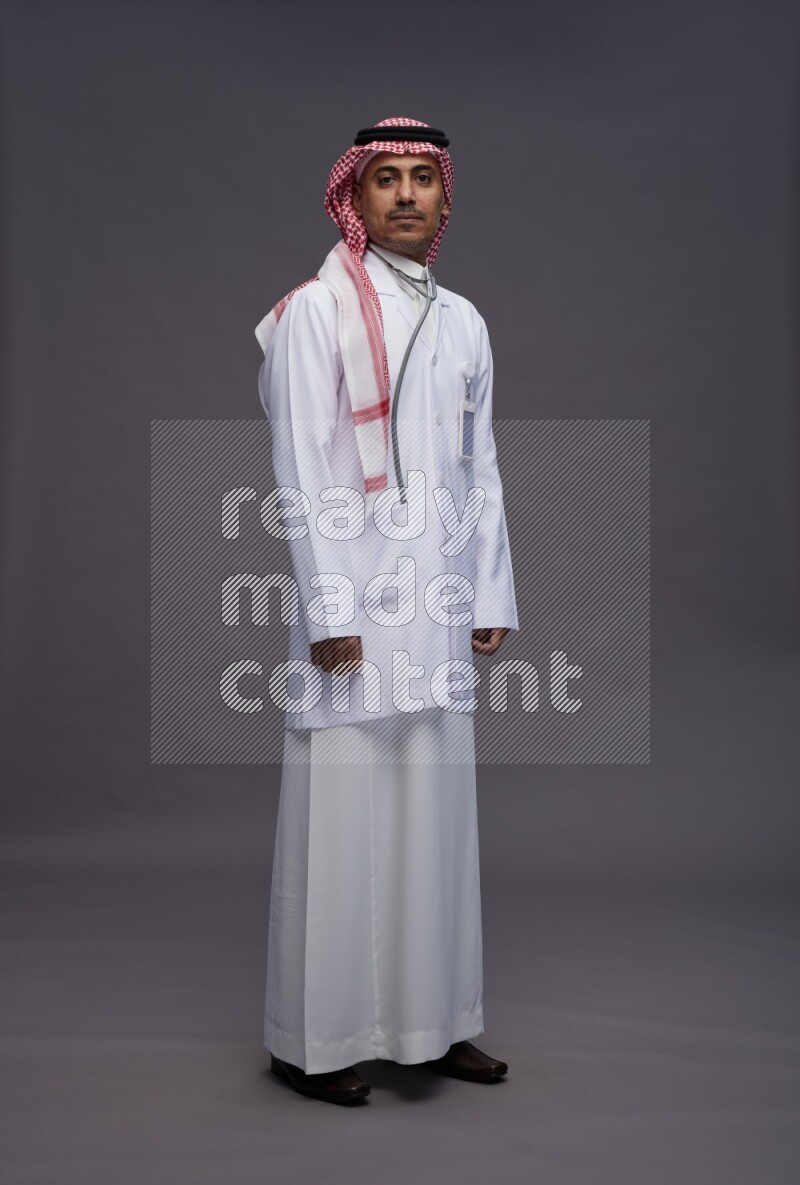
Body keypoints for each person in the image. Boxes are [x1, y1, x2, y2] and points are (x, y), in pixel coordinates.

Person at [254, 117, 518, 1105]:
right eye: (383, 181)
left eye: (421, 179)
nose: (405, 195)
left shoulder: (465, 322)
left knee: (434, 821)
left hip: (438, 606)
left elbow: (477, 468)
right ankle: (309, 1042)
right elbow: (300, 472)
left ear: (445, 198)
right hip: (353, 612)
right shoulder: (311, 314)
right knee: (344, 819)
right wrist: (327, 609)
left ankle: (433, 1026)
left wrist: (488, 591)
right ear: (352, 200)